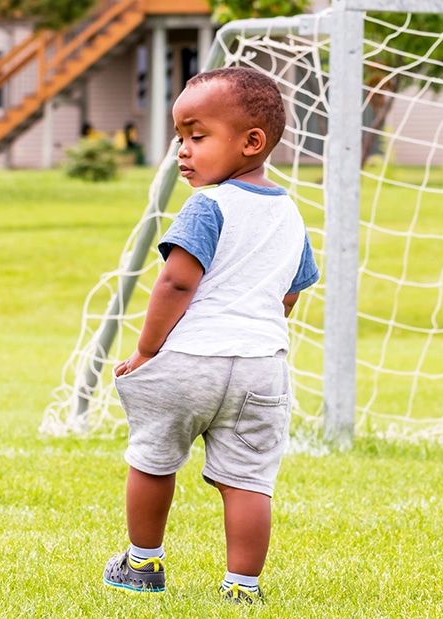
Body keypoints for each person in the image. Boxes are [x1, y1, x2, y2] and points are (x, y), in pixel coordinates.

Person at [102, 66, 319, 603]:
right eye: (180, 138)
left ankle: (143, 564)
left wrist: (146, 351)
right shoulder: (291, 214)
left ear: (252, 142)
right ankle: (242, 587)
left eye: (197, 137)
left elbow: (176, 281)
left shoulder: (208, 204)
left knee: (153, 460)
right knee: (247, 479)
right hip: (261, 367)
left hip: (187, 361)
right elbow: (290, 293)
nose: (183, 151)